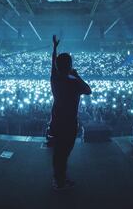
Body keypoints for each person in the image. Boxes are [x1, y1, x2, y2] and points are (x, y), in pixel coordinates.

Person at [49, 35, 91, 190]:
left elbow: (53, 64)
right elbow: (88, 90)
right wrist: (77, 74)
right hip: (70, 124)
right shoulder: (74, 83)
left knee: (58, 152)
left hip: (56, 122)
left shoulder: (54, 79)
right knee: (64, 153)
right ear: (70, 66)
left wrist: (54, 48)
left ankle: (58, 177)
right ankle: (59, 180)